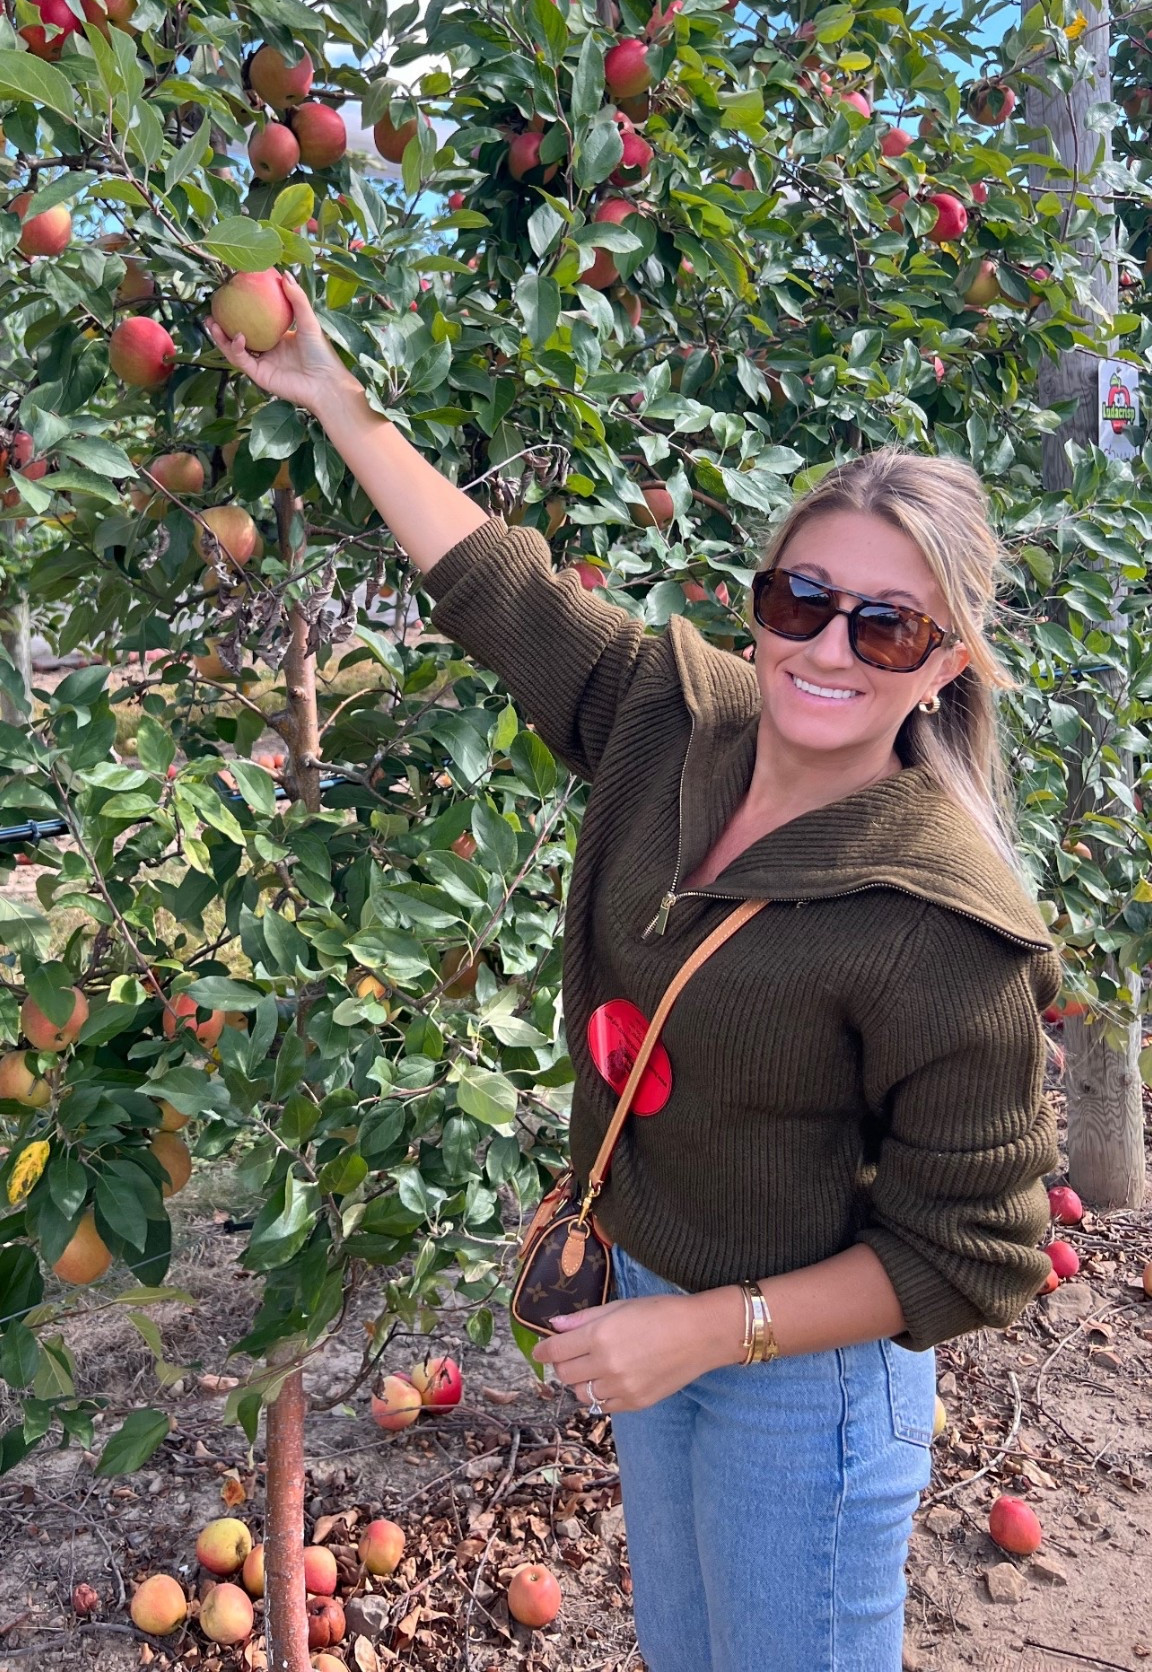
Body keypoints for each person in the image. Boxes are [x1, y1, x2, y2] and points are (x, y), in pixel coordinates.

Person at [209, 285, 1061, 1672]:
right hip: (652, 1302)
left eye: (885, 629)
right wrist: (331, 393)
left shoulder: (940, 923)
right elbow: (502, 588)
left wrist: (714, 1333)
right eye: (803, 599)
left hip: (807, 1377)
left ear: (943, 668)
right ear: (762, 601)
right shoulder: (679, 716)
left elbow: (978, 1254)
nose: (827, 647)